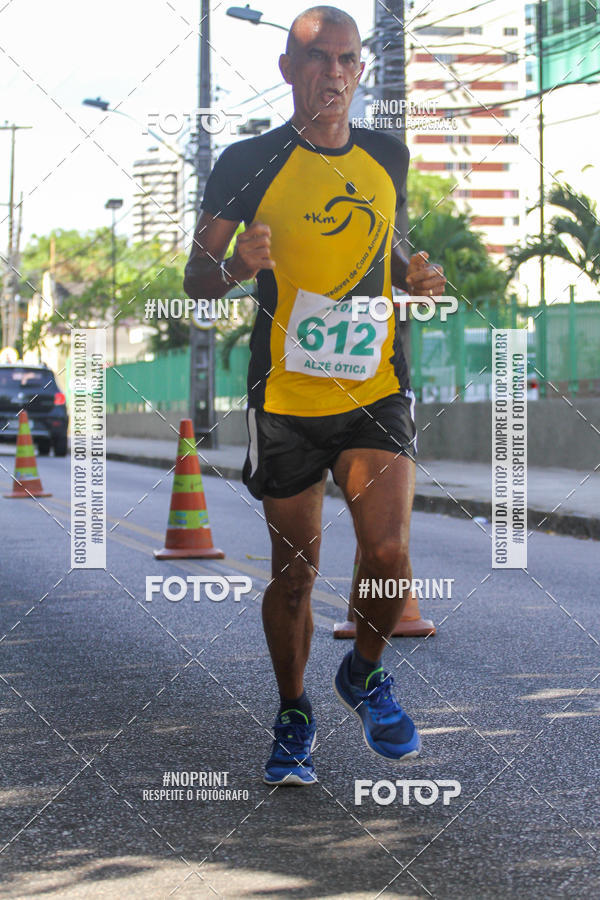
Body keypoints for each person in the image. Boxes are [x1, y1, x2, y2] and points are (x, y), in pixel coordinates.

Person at [184, 5, 446, 785]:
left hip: (376, 386)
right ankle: (294, 712)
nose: (334, 71)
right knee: (295, 574)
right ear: (288, 69)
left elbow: (381, 241)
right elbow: (195, 279)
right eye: (318, 58)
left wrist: (414, 274)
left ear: (361, 71)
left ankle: (363, 673)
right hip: (287, 399)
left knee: (390, 548)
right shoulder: (246, 162)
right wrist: (237, 265)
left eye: (347, 59)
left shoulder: (387, 156)